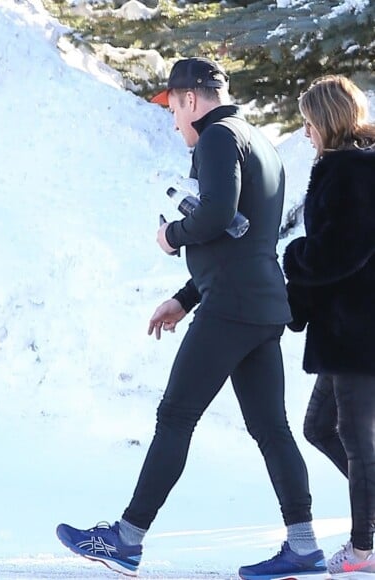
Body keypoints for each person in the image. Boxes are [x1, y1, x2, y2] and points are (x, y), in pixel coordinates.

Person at [56, 57, 325, 579]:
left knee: (175, 417)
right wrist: (185, 297)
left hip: (231, 308)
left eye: (173, 108)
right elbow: (241, 239)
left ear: (191, 99)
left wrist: (170, 237)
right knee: (272, 429)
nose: (173, 120)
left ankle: (126, 539)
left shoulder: (218, 138)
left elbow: (218, 216)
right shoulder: (259, 141)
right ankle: (304, 545)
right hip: (260, 305)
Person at [283, 74, 375, 577]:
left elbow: (342, 249)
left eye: (309, 124)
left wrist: (294, 256)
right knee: (320, 426)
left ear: (327, 120)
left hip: (358, 330)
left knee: (358, 441)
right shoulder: (347, 168)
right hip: (344, 329)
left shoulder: (352, 172)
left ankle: (364, 548)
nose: (305, 134)